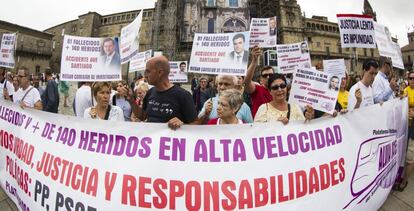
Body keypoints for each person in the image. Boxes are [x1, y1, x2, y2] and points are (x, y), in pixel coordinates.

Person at [132, 56, 197, 129]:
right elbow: (142, 117)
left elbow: (195, 124)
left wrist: (182, 124)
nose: (145, 75)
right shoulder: (151, 92)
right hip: (151, 139)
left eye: (148, 71)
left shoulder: (183, 95)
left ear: (160, 72)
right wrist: (130, 100)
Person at [394, 71, 414, 191]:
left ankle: (404, 182)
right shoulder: (405, 90)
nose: (412, 80)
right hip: (406, 127)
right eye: (410, 78)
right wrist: (399, 97)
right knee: (404, 154)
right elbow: (399, 102)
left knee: (410, 158)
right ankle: (402, 177)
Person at [244, 46, 273, 117]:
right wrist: (254, 61)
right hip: (259, 126)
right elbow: (246, 82)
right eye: (265, 75)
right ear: (261, 79)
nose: (268, 77)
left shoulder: (279, 91)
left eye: (271, 75)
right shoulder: (258, 89)